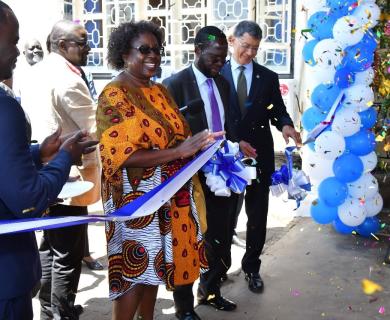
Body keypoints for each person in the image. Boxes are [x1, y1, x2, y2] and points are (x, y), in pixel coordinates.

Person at [96, 21, 222, 320]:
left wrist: (200, 146)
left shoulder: (160, 91)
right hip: (136, 203)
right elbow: (121, 155)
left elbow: (176, 138)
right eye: (144, 50)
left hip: (167, 198)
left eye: (157, 49)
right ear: (125, 53)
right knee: (133, 274)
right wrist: (180, 151)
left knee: (153, 271)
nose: (153, 55)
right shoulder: (115, 94)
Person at [0, 2, 98, 319]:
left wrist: (38, 153)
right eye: (12, 40)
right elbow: (28, 200)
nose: (17, 52)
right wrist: (65, 158)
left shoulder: (33, 75)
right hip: (6, 274)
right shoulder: (5, 107)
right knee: (65, 252)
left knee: (52, 249)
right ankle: (60, 310)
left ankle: (51, 307)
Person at [163, 26, 239, 319]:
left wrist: (236, 146)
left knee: (219, 236)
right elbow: (169, 138)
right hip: (189, 178)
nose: (220, 65)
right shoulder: (174, 85)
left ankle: (209, 291)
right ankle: (184, 309)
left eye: (223, 58)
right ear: (197, 50)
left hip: (223, 173)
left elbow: (227, 123)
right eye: (215, 59)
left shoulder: (222, 83)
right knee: (190, 241)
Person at [220, 20, 301, 293]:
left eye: (255, 48)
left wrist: (286, 124)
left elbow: (276, 108)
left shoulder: (267, 76)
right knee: (225, 215)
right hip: (227, 157)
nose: (250, 53)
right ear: (232, 41)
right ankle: (218, 269)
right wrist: (231, 141)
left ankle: (252, 268)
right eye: (245, 46)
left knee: (257, 215)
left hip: (258, 154)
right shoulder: (216, 73)